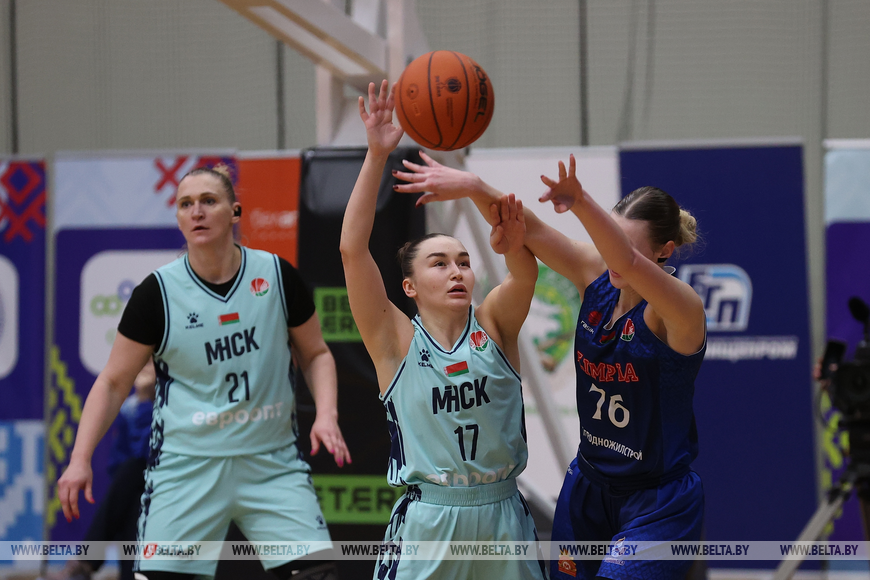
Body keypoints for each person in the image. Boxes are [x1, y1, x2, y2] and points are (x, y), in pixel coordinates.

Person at [393, 153, 707, 580]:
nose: (612, 255)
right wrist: (473, 186)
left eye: (626, 244)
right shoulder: (596, 276)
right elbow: (530, 229)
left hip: (657, 500)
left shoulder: (681, 308)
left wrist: (581, 203)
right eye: (610, 241)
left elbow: (628, 264)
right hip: (589, 486)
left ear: (665, 251)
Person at [57, 164, 351, 580]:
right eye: (186, 204)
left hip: (271, 463)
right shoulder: (157, 294)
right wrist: (79, 458)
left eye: (208, 201)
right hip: (187, 469)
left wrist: (327, 414)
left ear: (235, 212)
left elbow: (316, 353)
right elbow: (112, 382)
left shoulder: (276, 275)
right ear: (178, 218)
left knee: (317, 574)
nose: (196, 211)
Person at [339, 80, 548, 580]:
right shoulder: (396, 341)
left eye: (464, 262)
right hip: (429, 520)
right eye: (439, 263)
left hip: (502, 516)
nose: (456, 272)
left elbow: (524, 272)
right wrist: (376, 155)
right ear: (409, 286)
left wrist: (481, 199)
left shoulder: (494, 323)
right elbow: (352, 250)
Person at [47, 361, 156, 580]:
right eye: (142, 360)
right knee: (133, 500)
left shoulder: (171, 405)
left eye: (151, 361)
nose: (145, 365)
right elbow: (118, 463)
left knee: (134, 474)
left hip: (169, 482)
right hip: (139, 491)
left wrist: (146, 400)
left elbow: (147, 455)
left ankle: (85, 563)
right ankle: (89, 564)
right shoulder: (129, 407)